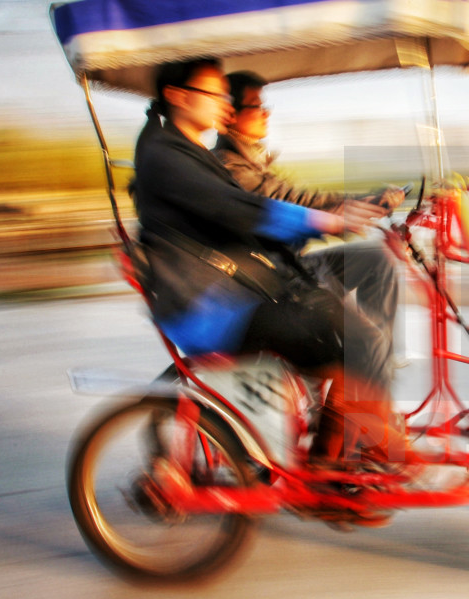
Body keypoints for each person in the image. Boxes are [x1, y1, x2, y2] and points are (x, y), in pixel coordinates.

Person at [130, 58, 405, 489]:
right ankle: (338, 459)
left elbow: (250, 210)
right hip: (208, 302)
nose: (224, 104)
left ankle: (353, 440)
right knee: (348, 332)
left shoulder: (181, 150)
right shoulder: (167, 156)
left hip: (224, 286)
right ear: (178, 97)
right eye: (216, 95)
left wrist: (339, 214)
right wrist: (323, 221)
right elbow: (235, 209)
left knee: (349, 322)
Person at [213, 72, 404, 369]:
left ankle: (376, 365)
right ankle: (367, 371)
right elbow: (298, 202)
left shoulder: (252, 158)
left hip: (291, 260)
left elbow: (303, 197)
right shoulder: (232, 166)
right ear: (230, 116)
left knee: (376, 259)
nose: (266, 113)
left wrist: (366, 202)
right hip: (276, 275)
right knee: (365, 338)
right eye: (255, 106)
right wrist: (363, 204)